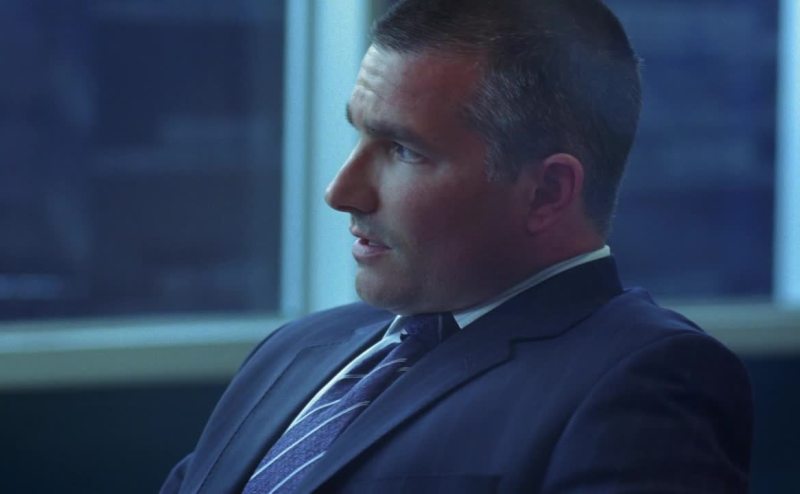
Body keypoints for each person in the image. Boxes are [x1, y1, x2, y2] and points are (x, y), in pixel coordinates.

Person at [161, 0, 753, 492]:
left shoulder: (644, 378)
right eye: (358, 133)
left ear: (547, 191)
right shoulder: (293, 351)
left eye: (403, 150)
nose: (341, 192)